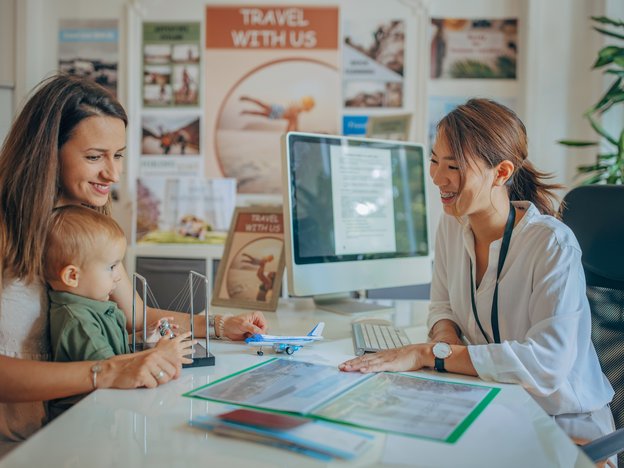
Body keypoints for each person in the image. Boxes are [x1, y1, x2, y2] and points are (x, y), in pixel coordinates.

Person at [0, 73, 268, 456]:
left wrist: (219, 325)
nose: (113, 173)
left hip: (75, 438)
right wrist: (109, 371)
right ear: (46, 152)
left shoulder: (88, 223)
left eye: (119, 155)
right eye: (94, 157)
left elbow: (135, 314)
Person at [339, 99, 615, 446]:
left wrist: (431, 354)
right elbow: (442, 307)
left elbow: (546, 363)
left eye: (453, 166)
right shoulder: (452, 225)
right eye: (434, 161)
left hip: (569, 430)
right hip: (500, 409)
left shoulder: (552, 245)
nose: (438, 178)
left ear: (501, 172)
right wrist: (445, 339)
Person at [44, 206, 192, 417]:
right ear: (72, 276)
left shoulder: (92, 307)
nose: (118, 276)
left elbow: (112, 351)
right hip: (84, 419)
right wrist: (158, 354)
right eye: (111, 267)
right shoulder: (78, 320)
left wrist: (142, 338)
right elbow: (111, 368)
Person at [239, 95, 315, 132]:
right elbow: (292, 119)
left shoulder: (296, 113)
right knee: (261, 106)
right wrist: (294, 129)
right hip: (279, 111)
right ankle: (248, 100)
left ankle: (246, 110)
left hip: (278, 115)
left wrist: (291, 130)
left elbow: (291, 121)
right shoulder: (297, 110)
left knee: (260, 112)